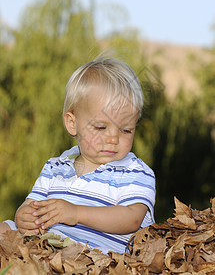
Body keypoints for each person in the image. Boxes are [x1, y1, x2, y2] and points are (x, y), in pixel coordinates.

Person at [0, 55, 156, 254]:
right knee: (5, 228)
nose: (113, 139)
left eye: (126, 130)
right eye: (101, 127)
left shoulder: (135, 172)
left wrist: (76, 213)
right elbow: (32, 205)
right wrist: (24, 216)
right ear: (72, 124)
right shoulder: (55, 167)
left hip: (95, 255)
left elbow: (131, 218)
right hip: (47, 244)